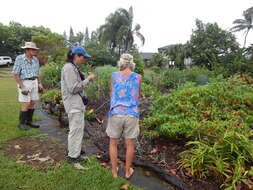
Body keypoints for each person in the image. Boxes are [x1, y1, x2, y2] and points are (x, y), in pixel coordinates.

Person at [106, 53, 142, 179]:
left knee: (113, 143)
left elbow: (111, 93)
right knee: (130, 144)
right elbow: (138, 96)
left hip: (116, 113)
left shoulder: (114, 76)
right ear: (132, 63)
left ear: (120, 62)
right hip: (131, 114)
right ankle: (127, 171)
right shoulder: (138, 77)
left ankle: (114, 173)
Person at [61, 46, 95, 163]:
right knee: (75, 130)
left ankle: (75, 150)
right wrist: (88, 80)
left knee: (77, 129)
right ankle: (73, 156)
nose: (84, 59)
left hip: (76, 104)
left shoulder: (73, 67)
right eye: (83, 57)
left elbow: (77, 82)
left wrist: (85, 77)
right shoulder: (69, 68)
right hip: (73, 104)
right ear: (76, 56)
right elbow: (73, 88)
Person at [12, 42, 43, 130]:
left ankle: (29, 121)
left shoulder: (35, 60)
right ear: (27, 50)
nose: (35, 51)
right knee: (26, 103)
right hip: (24, 82)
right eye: (33, 49)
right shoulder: (20, 58)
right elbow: (15, 74)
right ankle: (21, 124)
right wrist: (22, 86)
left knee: (33, 102)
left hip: (34, 82)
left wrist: (39, 83)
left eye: (35, 49)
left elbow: (37, 73)